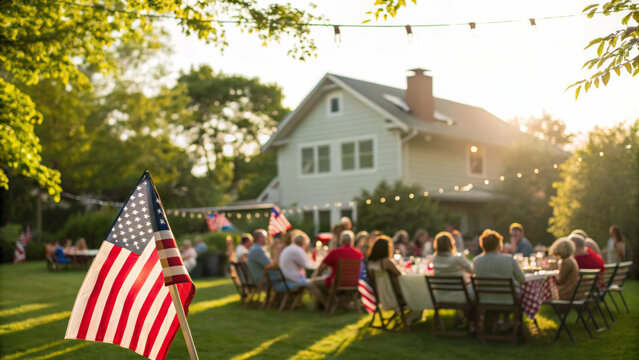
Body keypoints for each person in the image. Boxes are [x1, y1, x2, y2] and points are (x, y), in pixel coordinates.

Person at [473, 229, 525, 330]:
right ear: (498, 245)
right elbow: (522, 279)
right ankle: (509, 324)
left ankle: (497, 323)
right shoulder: (509, 259)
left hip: (485, 299)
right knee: (518, 293)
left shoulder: (476, 261)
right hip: (508, 299)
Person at [309, 230, 363, 306]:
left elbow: (321, 267)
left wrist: (318, 275)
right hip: (354, 283)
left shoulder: (335, 252)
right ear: (352, 241)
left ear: (341, 241)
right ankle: (341, 303)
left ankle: (328, 304)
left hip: (336, 283)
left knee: (312, 283)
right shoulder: (359, 254)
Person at [431, 231, 474, 303]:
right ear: (451, 244)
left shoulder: (434, 259)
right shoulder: (458, 258)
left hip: (440, 296)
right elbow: (473, 270)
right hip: (460, 296)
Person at [366, 235, 405, 311]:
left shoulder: (370, 263)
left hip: (381, 298)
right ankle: (410, 320)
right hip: (394, 297)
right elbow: (401, 273)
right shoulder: (386, 262)